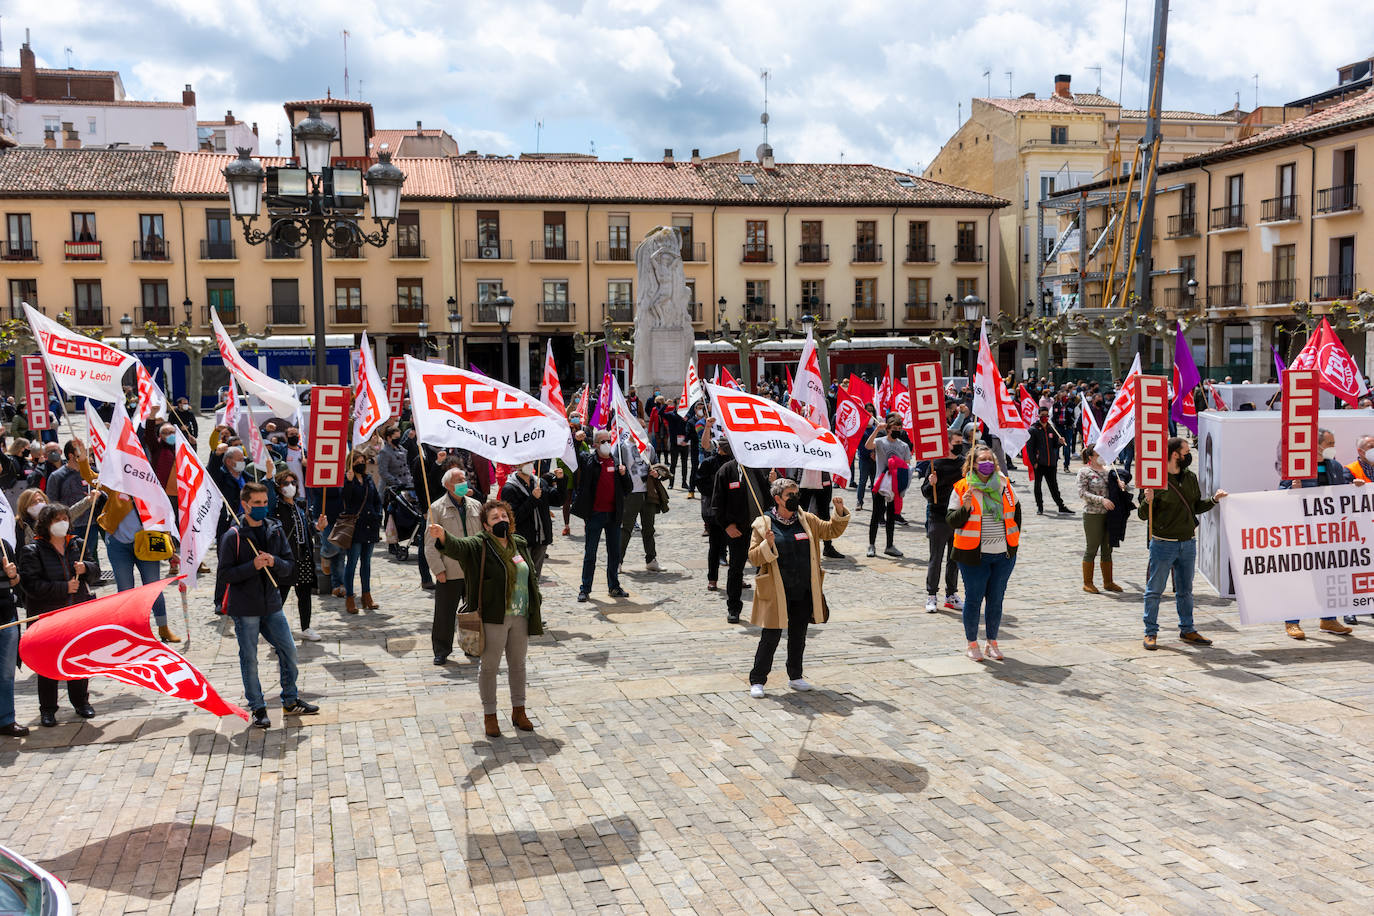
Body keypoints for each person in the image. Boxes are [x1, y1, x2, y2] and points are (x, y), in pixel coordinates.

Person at [429, 500, 543, 737]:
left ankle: (519, 710)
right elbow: (458, 547)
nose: (501, 520)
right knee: (490, 667)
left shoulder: (519, 543)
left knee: (518, 665)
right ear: (486, 525)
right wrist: (443, 537)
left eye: (504, 516)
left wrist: (537, 600)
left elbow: (530, 574)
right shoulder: (479, 545)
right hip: (493, 617)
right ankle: (490, 715)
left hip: (520, 615)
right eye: (495, 518)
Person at [217, 481, 319, 729]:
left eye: (265, 503)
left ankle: (290, 699)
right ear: (245, 505)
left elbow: (289, 566)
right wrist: (252, 566)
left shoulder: (275, 529)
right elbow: (225, 575)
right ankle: (258, 707)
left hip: (272, 604)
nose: (262, 507)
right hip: (245, 608)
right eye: (257, 504)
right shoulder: (233, 536)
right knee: (250, 658)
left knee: (289, 651)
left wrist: (273, 561)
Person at [746, 477, 850, 697]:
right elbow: (753, 558)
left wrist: (839, 512)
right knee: (771, 636)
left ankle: (795, 676)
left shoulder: (807, 519)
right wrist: (768, 544)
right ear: (777, 499)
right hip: (777, 590)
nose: (794, 499)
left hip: (803, 588)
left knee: (798, 634)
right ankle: (757, 679)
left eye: (796, 494)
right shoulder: (762, 524)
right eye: (789, 496)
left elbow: (830, 531)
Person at [1138, 436, 1226, 650]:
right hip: (1162, 544)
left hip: (1187, 543)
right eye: (1186, 452)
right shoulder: (1155, 479)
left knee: (1185, 591)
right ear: (1174, 454)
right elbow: (1143, 515)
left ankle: (1187, 629)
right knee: (1154, 590)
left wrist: (1214, 500)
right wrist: (1146, 500)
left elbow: (1195, 506)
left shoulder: (1190, 477)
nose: (1189, 456)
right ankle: (1150, 632)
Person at [18, 502, 101, 727]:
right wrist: (63, 588)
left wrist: (87, 569)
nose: (62, 523)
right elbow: (31, 586)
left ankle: (81, 702)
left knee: (78, 660)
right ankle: (48, 709)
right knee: (48, 664)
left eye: (65, 518)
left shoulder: (77, 544)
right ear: (46, 524)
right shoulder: (32, 551)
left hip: (77, 613)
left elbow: (96, 572)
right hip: (48, 617)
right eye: (57, 520)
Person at [1282, 428, 1361, 638]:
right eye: (1330, 443)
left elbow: (1341, 491)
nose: (1333, 447)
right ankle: (1292, 622)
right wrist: (1291, 489)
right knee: (1301, 577)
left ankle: (1329, 619)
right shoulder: (1297, 466)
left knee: (1330, 576)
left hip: (1330, 532)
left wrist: (1354, 487)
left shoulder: (1334, 465)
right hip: (1304, 532)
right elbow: (1279, 495)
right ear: (1316, 445)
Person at [947, 445, 1021, 661]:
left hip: (1003, 555)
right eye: (982, 459)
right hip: (973, 556)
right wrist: (966, 506)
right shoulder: (963, 488)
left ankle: (992, 642)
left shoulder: (1004, 484)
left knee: (996, 600)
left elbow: (1016, 512)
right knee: (974, 600)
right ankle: (972, 643)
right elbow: (952, 521)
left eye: (990, 459)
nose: (987, 463)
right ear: (973, 464)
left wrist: (1013, 542)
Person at [100, 490, 180, 643]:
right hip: (118, 543)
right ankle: (130, 631)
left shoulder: (147, 484)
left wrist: (170, 548)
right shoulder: (113, 482)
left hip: (148, 541)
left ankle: (163, 627)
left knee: (153, 587)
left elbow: (163, 516)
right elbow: (91, 478)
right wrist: (84, 464)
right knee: (125, 590)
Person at [426, 466, 483, 665]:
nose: (463, 482)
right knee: (444, 613)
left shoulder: (476, 505)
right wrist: (438, 569)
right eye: (459, 480)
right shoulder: (437, 509)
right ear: (448, 485)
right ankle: (441, 649)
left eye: (464, 478)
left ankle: (473, 645)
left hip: (474, 568)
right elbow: (429, 545)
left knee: (474, 612)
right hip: (450, 570)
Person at [710, 438, 771, 623]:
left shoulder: (758, 470)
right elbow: (717, 504)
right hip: (738, 531)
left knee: (765, 569)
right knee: (736, 569)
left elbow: (767, 498)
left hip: (760, 530)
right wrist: (727, 525)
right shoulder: (727, 471)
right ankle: (734, 608)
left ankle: (768, 607)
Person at [572, 430, 631, 602]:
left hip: (613, 515)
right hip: (595, 514)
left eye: (608, 440)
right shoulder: (588, 460)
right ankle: (585, 588)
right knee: (590, 553)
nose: (606, 443)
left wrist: (624, 474)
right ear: (595, 444)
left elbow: (627, 489)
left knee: (614, 553)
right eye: (602, 441)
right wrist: (576, 441)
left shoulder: (617, 460)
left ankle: (614, 586)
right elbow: (573, 458)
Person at [274, 468, 324, 641]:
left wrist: (317, 527)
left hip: (303, 556)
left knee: (304, 594)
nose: (290, 486)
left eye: (293, 483)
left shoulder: (300, 504)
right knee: (281, 595)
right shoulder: (276, 507)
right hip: (286, 558)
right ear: (279, 487)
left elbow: (307, 526)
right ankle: (275, 633)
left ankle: (306, 627)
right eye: (286, 483)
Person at [921, 429, 965, 613]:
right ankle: (932, 595)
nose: (959, 445)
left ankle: (951, 594)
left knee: (954, 559)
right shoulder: (935, 463)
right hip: (938, 516)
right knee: (936, 558)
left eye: (961, 442)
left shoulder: (964, 464)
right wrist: (931, 483)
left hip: (958, 517)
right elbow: (925, 492)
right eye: (956, 442)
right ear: (947, 443)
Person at [501, 460, 566, 578]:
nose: (530, 464)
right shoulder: (510, 488)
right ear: (517, 465)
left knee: (536, 578)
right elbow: (514, 517)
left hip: (541, 539)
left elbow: (558, 500)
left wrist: (561, 480)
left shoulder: (539, 483)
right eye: (526, 462)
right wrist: (533, 499)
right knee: (522, 577)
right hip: (523, 541)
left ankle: (535, 597)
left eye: (531, 461)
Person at [1078, 445, 1126, 594]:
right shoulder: (1084, 472)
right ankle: (1088, 582)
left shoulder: (1109, 471)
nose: (1101, 456)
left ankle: (1108, 582)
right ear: (1090, 457)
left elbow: (1117, 490)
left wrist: (1121, 485)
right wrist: (1101, 500)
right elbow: (1082, 493)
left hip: (1110, 515)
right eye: (1098, 454)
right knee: (1092, 548)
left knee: (1107, 548)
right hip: (1093, 514)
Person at [340, 448, 383, 614]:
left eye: (362, 461)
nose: (361, 464)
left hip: (370, 525)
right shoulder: (346, 479)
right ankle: (350, 598)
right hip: (355, 527)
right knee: (352, 562)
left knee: (367, 563)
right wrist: (349, 482)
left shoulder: (368, 479)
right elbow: (345, 499)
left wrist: (378, 515)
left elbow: (376, 500)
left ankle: (367, 596)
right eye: (357, 462)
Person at [865, 416, 911, 557]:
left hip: (894, 486)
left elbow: (907, 464)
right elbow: (868, 446)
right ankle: (871, 545)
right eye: (894, 429)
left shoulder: (903, 446)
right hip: (880, 483)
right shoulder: (880, 441)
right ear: (888, 429)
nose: (897, 431)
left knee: (891, 516)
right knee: (876, 514)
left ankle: (889, 545)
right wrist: (877, 429)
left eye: (899, 429)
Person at [617, 439, 663, 572]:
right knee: (626, 528)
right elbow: (616, 463)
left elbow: (656, 464)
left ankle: (651, 559)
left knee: (649, 528)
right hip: (631, 493)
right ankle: (618, 561)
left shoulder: (649, 447)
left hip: (648, 492)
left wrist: (656, 472)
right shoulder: (623, 446)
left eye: (643, 426)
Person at [0, 535, 28, 737]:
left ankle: (6, 720)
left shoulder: (3, 545)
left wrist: (13, 576)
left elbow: (17, 581)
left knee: (6, 673)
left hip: (7, 615)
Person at [1027, 407, 1071, 515]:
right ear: (1038, 416)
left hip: (1051, 463)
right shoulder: (1033, 430)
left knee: (1054, 486)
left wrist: (1060, 442)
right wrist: (1034, 463)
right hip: (1039, 463)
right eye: (1042, 415)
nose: (1045, 418)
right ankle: (1040, 506)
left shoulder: (1052, 429)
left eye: (1047, 415)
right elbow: (1030, 449)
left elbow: (1055, 445)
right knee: (1038, 486)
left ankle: (1061, 506)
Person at [855, 404, 879, 510]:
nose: (870, 413)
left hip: (874, 460)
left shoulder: (876, 429)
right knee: (862, 481)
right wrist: (869, 452)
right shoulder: (861, 429)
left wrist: (875, 453)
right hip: (864, 459)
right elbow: (859, 445)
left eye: (871, 411)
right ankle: (859, 501)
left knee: (875, 482)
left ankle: (876, 502)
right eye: (867, 411)